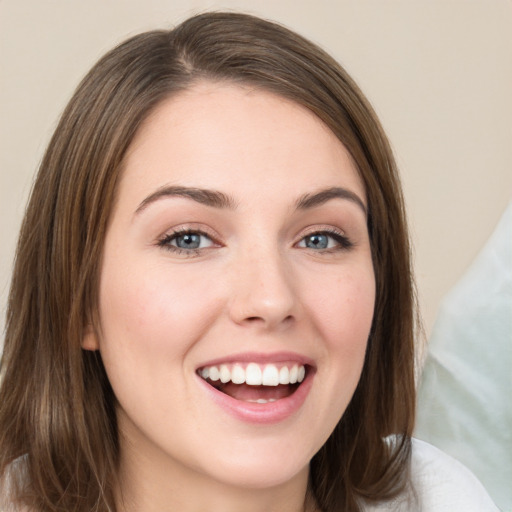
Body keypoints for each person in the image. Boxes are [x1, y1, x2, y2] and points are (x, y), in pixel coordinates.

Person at [0, 11, 498, 512]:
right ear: (78, 298)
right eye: (190, 238)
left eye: (321, 239)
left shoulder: (442, 499)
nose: (271, 298)